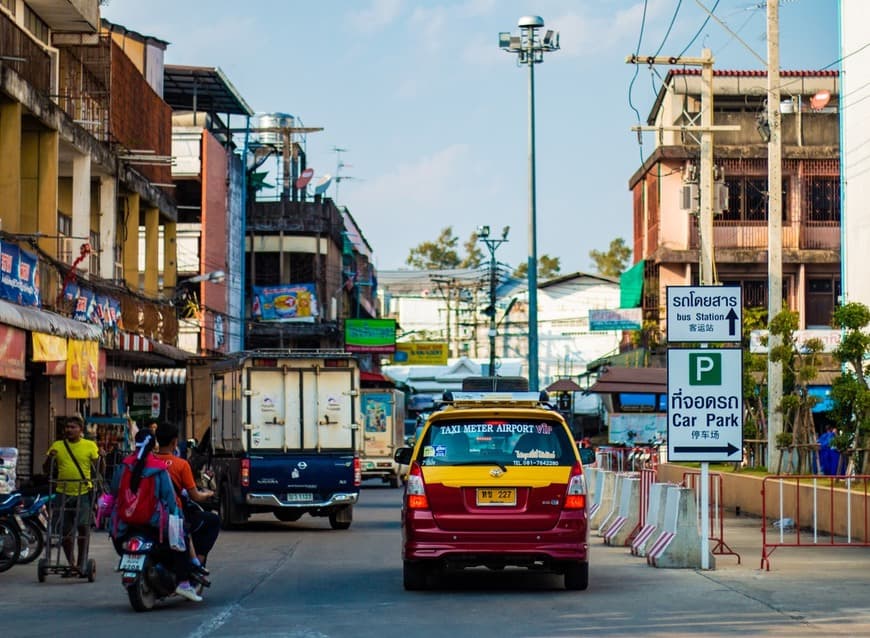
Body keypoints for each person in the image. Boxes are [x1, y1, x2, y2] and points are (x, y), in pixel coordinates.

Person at [111, 429, 202, 602]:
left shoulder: (124, 465)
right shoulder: (159, 469)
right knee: (181, 537)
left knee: (116, 535)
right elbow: (169, 498)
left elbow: (114, 491)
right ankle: (183, 583)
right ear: (154, 445)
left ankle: (125, 559)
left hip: (125, 524)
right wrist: (178, 517)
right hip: (153, 524)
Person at [154, 422, 220, 571]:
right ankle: (197, 562)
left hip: (151, 513)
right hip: (174, 514)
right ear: (174, 442)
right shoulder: (181, 465)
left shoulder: (148, 462)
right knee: (213, 521)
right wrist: (208, 494)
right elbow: (195, 496)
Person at [44, 414, 101, 573]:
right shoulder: (57, 446)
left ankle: (83, 562)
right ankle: (72, 563)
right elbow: (46, 470)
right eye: (67, 427)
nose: (69, 430)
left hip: (83, 492)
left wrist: (101, 458)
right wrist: (51, 458)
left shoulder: (90, 446)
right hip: (62, 492)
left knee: (83, 529)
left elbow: (98, 470)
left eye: (72, 427)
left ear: (80, 430)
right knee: (64, 531)